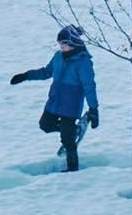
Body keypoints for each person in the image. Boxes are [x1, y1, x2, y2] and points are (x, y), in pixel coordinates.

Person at [10, 25, 99, 171]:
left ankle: (72, 169)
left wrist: (94, 108)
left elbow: (89, 86)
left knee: (67, 139)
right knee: (45, 125)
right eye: (60, 43)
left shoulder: (83, 62)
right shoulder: (58, 57)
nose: (61, 46)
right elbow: (46, 72)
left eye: (64, 43)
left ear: (73, 43)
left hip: (71, 105)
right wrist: (26, 75)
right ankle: (75, 131)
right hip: (55, 101)